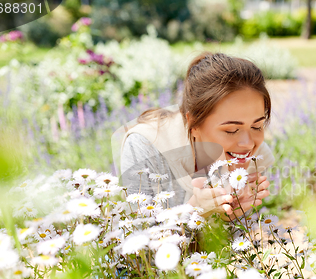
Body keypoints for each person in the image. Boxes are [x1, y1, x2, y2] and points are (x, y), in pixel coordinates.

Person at [118, 51, 275, 221]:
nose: (248, 144)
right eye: (231, 130)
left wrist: (229, 219)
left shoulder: (254, 157)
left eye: (257, 126)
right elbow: (139, 238)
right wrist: (195, 211)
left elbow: (234, 244)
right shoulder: (144, 146)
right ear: (194, 124)